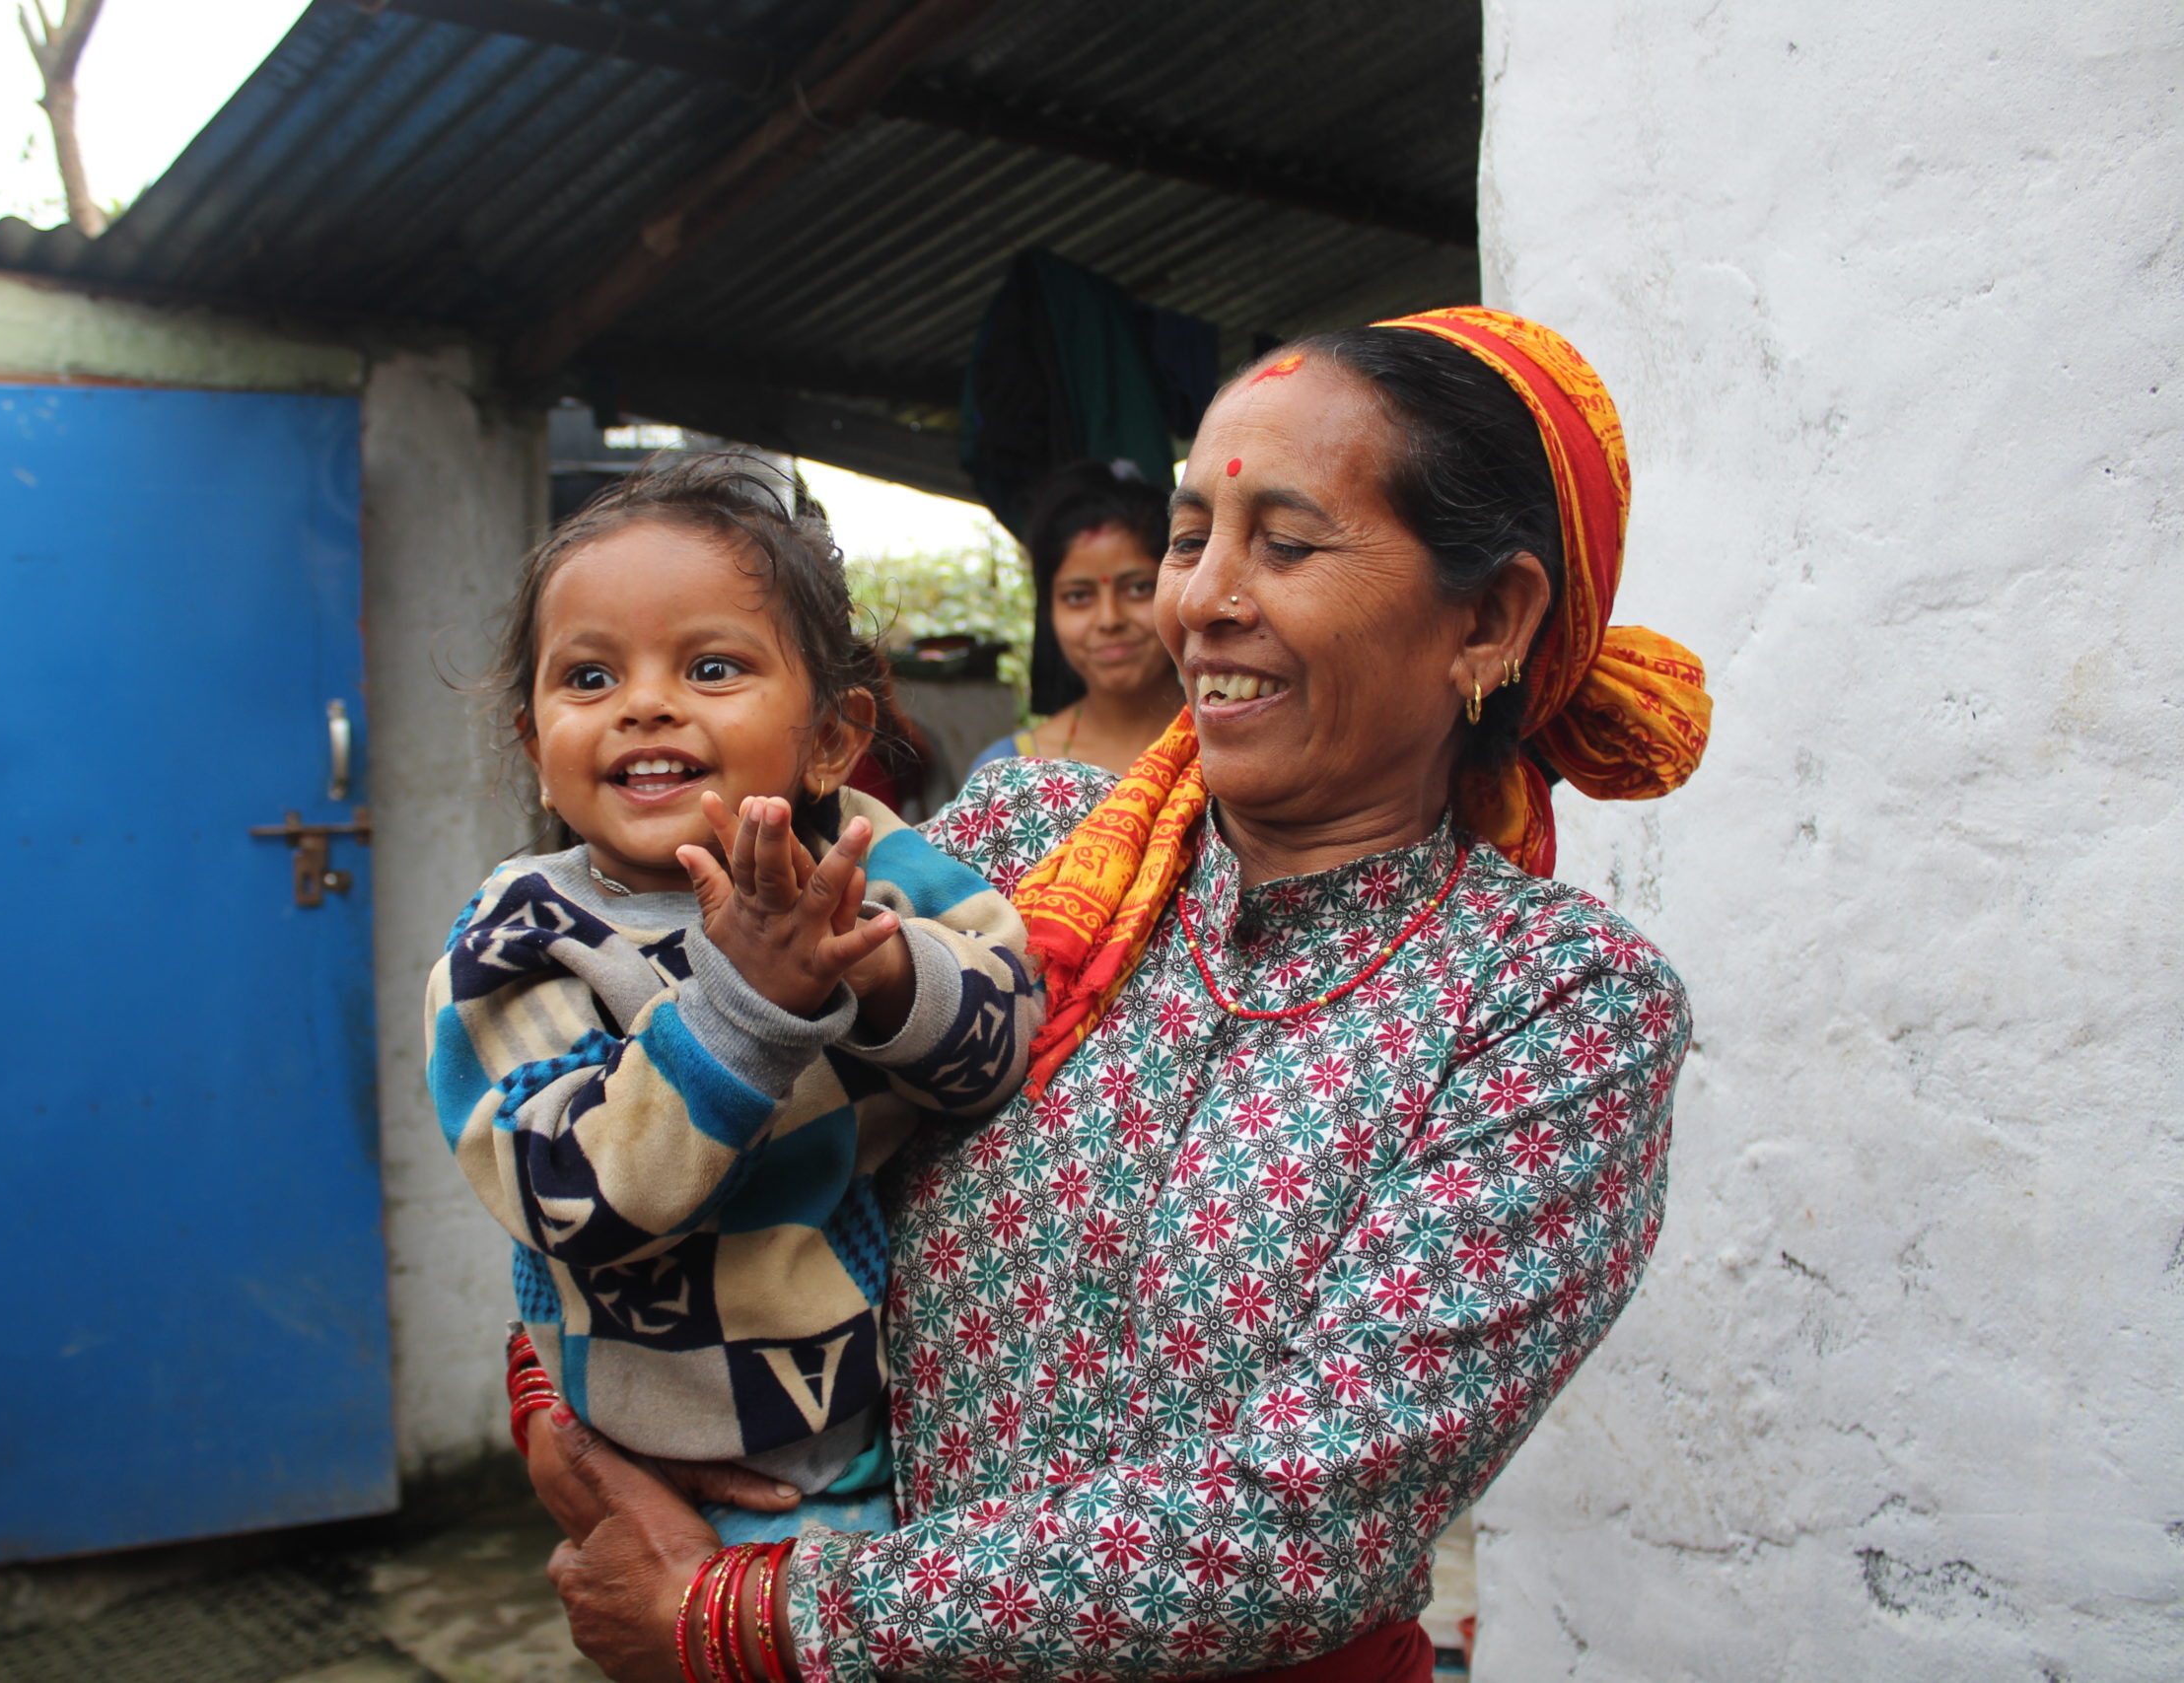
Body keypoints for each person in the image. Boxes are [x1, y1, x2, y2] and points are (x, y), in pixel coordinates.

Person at [528, 310, 1714, 1683]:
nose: (1199, 598)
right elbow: (653, 1123)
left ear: (1490, 618)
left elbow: (1294, 1524)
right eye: (1194, 532)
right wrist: (578, 1406)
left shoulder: (1555, 1005)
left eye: (1285, 539)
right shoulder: (1019, 846)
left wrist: (754, 1613)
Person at [425, 456, 1042, 1545]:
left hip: (910, 1419)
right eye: (588, 678)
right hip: (674, 1462)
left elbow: (1002, 1042)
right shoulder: (524, 936)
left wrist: (877, 969)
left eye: (711, 667)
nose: (645, 705)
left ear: (831, 739)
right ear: (534, 746)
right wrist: (745, 1011)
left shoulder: (868, 862)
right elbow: (564, 1189)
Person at [968, 459, 1187, 779]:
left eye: (1139, 588)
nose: (1109, 620)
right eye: (1078, 596)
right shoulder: (1006, 775)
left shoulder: (1235, 744)